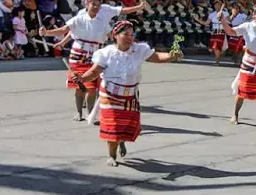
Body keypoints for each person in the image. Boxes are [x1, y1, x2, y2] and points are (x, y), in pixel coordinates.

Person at [78, 19, 184, 165]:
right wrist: (81, 78)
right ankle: (112, 156)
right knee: (113, 127)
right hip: (110, 95)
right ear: (115, 35)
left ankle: (121, 141)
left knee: (129, 127)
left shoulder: (139, 49)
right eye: (125, 34)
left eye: (131, 34)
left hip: (130, 95)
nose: (129, 38)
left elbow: (157, 57)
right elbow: (94, 71)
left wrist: (172, 55)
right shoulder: (106, 53)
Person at [40, 0, 148, 121]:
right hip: (78, 54)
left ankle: (91, 114)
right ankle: (79, 112)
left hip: (95, 54)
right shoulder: (79, 18)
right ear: (86, 3)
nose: (96, 7)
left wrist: (127, 43)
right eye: (93, 4)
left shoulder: (102, 21)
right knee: (79, 86)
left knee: (91, 87)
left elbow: (113, 35)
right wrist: (47, 33)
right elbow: (65, 29)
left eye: (98, 4)